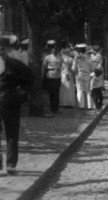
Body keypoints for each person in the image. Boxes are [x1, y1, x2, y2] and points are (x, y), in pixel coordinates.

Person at [0, 35, 34, 175]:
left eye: (2, 49)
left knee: (12, 134)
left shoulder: (15, 64)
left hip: (11, 103)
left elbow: (30, 77)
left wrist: (22, 92)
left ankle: (11, 164)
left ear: (7, 49)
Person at [41, 40, 62, 116]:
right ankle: (52, 108)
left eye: (56, 48)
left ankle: (56, 108)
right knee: (51, 93)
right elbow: (43, 67)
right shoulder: (47, 57)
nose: (55, 50)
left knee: (57, 93)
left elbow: (62, 66)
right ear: (51, 50)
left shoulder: (60, 57)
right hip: (50, 76)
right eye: (53, 48)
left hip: (58, 76)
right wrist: (42, 76)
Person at [72, 43, 92, 109]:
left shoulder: (76, 58)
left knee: (80, 90)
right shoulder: (89, 57)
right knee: (88, 91)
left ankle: (81, 105)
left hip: (79, 75)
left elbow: (73, 68)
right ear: (85, 49)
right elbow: (92, 68)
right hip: (87, 75)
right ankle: (89, 106)